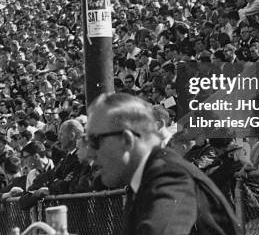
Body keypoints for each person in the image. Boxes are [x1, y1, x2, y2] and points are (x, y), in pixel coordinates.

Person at [86, 92, 238, 235]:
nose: (89, 154)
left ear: (127, 140)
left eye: (95, 140)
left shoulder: (170, 177)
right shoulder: (144, 178)